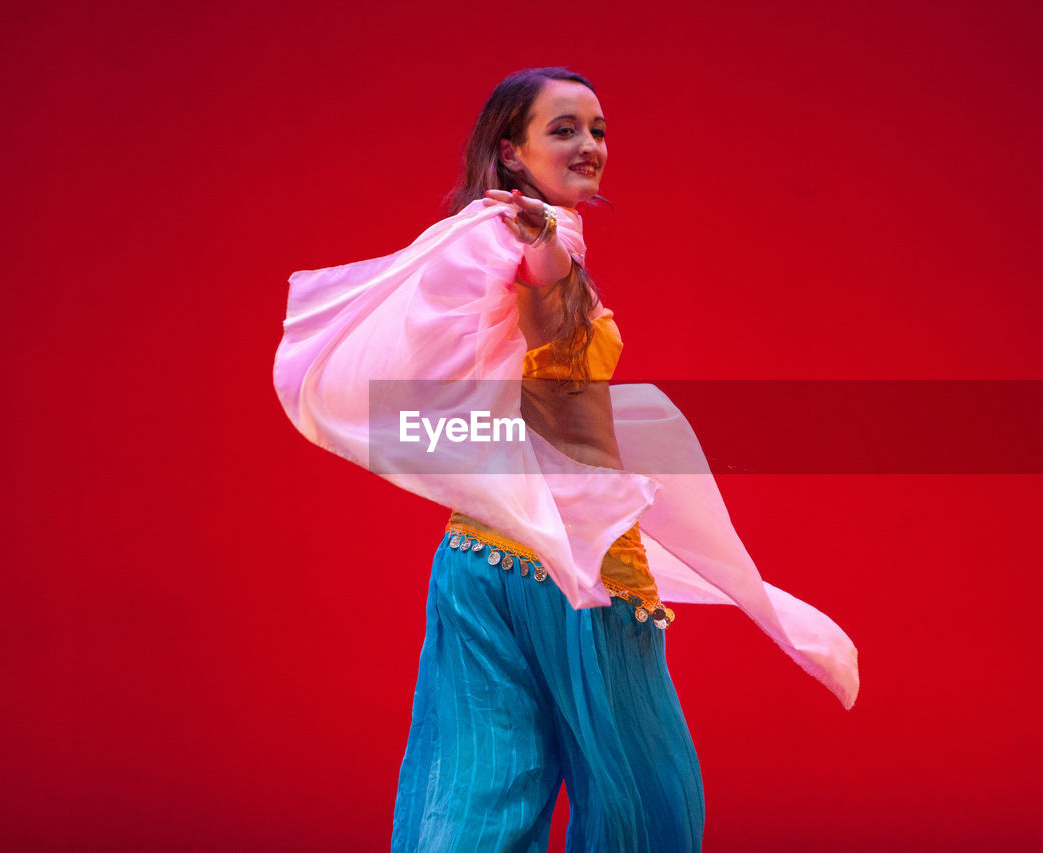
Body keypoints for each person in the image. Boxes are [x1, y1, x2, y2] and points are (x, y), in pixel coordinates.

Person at [273, 67, 858, 853]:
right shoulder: (536, 240)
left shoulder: (480, 245)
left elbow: (455, 366)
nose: (590, 145)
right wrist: (546, 252)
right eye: (565, 130)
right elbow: (548, 329)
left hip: (476, 561)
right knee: (647, 805)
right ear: (511, 152)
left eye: (599, 130)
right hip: (574, 572)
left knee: (478, 788)